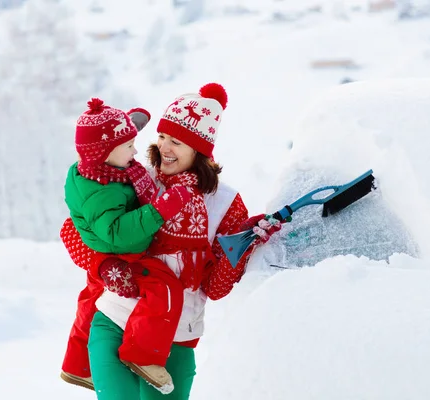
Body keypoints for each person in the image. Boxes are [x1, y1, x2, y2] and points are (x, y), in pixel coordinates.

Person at [60, 83, 285, 399]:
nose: (164, 147)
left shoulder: (224, 204)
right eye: (162, 137)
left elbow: (214, 288)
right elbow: (74, 231)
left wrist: (244, 245)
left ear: (200, 150)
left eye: (176, 141)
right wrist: (107, 267)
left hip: (174, 340)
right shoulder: (134, 178)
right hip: (114, 322)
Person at [59, 98, 194, 393]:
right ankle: (143, 356)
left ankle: (76, 366)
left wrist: (129, 123)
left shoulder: (106, 168)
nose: (139, 151)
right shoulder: (109, 187)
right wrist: (158, 211)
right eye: (161, 138)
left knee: (89, 300)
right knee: (162, 288)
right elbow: (104, 232)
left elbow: (109, 142)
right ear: (106, 153)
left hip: (110, 257)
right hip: (121, 257)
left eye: (177, 142)